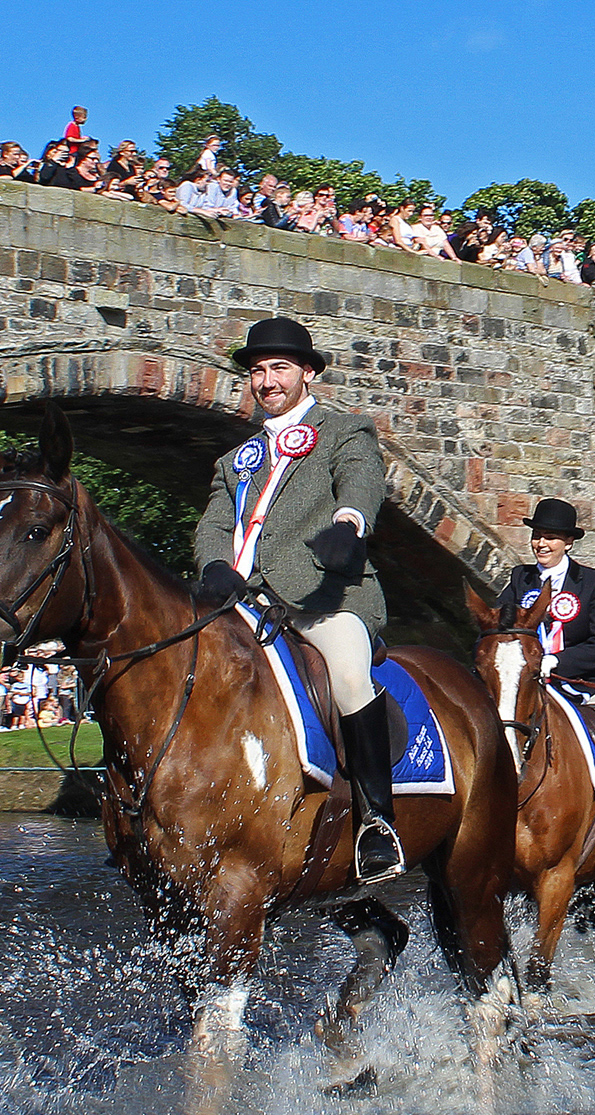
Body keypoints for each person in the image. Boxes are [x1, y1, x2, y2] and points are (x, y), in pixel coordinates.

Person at [194, 317, 401, 881]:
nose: (267, 381)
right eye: (258, 371)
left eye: (279, 368)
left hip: (323, 596)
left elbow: (361, 483)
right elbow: (214, 523)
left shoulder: (344, 430)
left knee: (351, 677)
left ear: (306, 373)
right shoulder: (234, 460)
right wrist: (214, 562)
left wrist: (349, 523)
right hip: (243, 600)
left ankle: (376, 825)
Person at [492, 498, 595, 860]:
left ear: (568, 542)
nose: (542, 544)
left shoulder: (592, 582)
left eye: (551, 538)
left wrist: (555, 661)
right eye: (538, 536)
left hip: (579, 683)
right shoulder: (519, 578)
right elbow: (500, 625)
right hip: (527, 684)